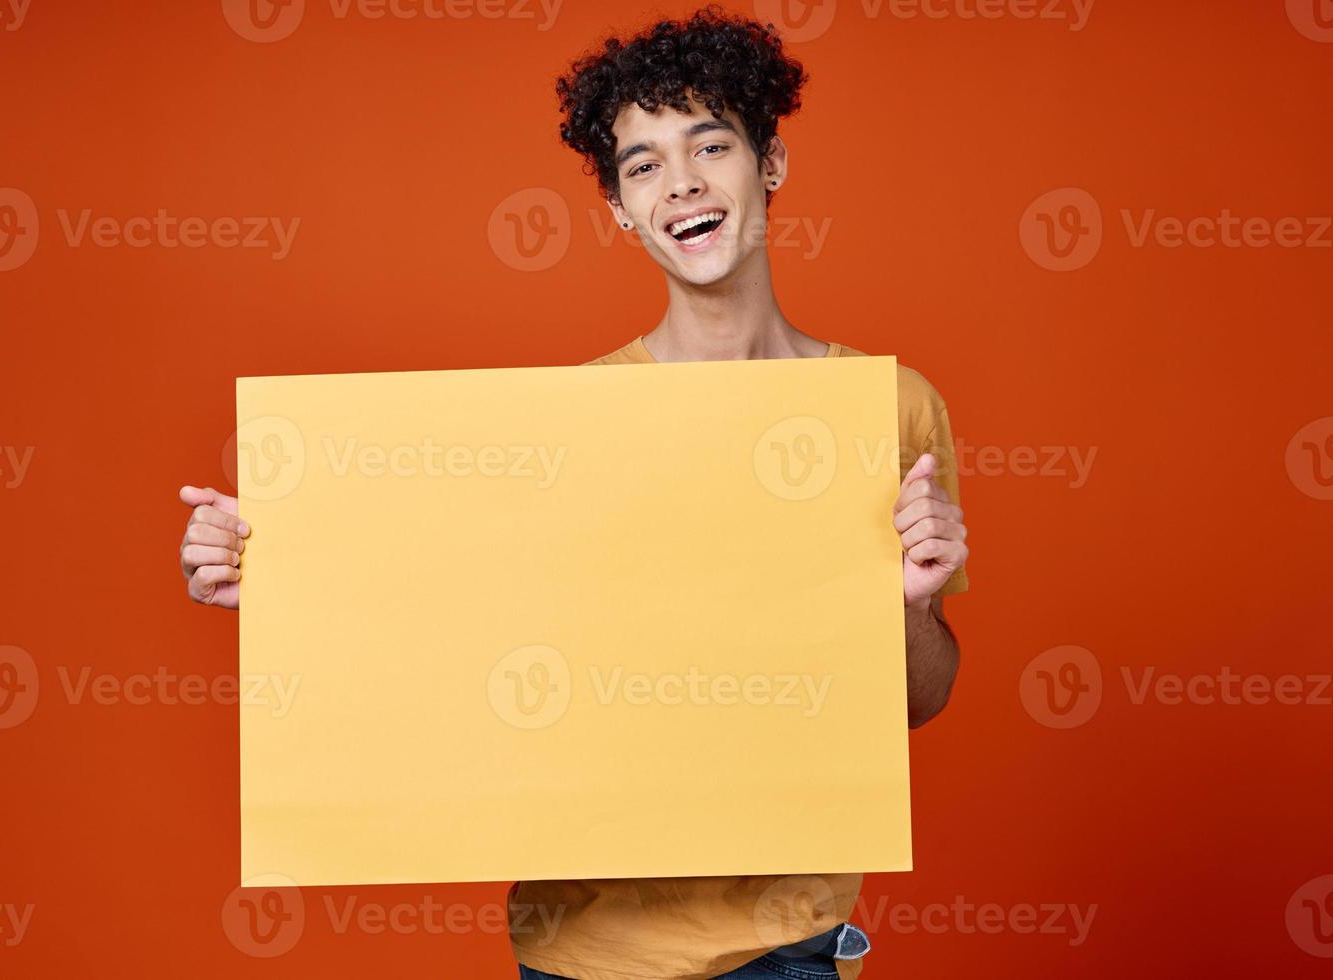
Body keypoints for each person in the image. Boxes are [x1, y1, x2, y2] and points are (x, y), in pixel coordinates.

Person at [178, 6, 968, 978]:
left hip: (786, 944)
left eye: (710, 144)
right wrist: (285, 582)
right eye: (643, 166)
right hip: (581, 953)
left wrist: (914, 601)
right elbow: (456, 643)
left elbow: (916, 701)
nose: (681, 183)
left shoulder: (888, 409)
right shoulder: (566, 427)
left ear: (771, 165)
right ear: (620, 211)